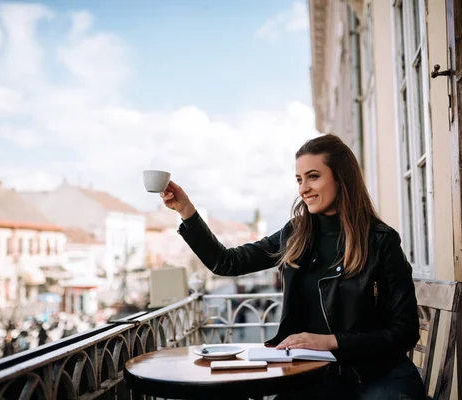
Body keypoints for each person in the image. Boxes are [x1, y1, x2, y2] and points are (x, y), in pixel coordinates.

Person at [160, 134, 425, 400]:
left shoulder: (379, 240)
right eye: (299, 180)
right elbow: (227, 262)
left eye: (313, 176)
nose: (303, 189)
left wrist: (332, 341)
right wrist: (187, 211)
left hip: (377, 373)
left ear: (341, 178)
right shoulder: (295, 233)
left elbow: (404, 332)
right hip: (315, 375)